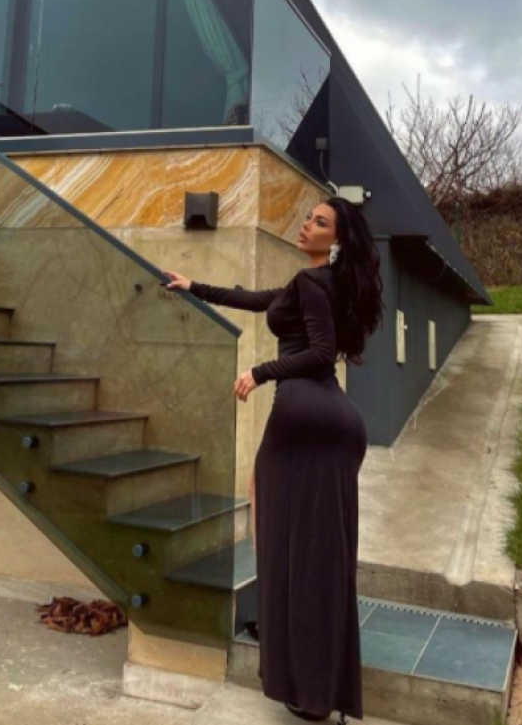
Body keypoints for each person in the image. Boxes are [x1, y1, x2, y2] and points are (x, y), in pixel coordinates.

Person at [162, 197, 382, 724]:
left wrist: (259, 372)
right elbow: (258, 299)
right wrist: (196, 286)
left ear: (338, 241)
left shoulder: (313, 283)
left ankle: (305, 684)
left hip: (304, 416)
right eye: (309, 217)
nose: (307, 225)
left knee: (287, 546)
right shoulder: (318, 283)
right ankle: (318, 689)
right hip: (336, 421)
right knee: (320, 556)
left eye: (320, 222)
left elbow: (321, 353)